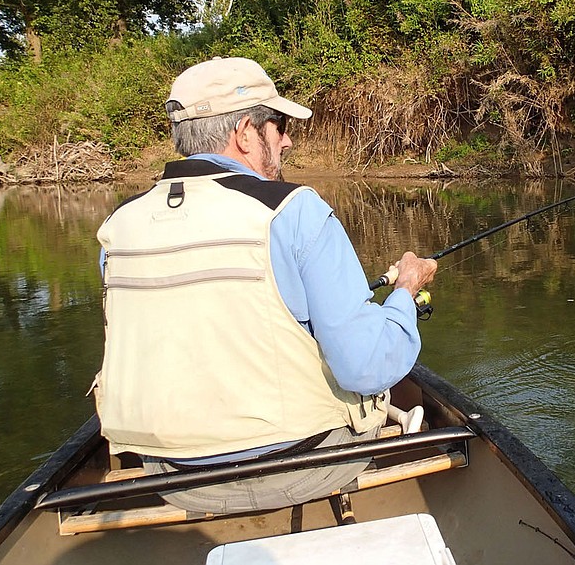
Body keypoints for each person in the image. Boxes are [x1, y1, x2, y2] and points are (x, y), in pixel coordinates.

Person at [92, 56, 437, 514]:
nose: (288, 139)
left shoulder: (120, 225)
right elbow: (366, 367)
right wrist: (404, 292)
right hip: (306, 463)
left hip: (170, 475)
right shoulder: (295, 210)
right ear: (245, 134)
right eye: (277, 125)